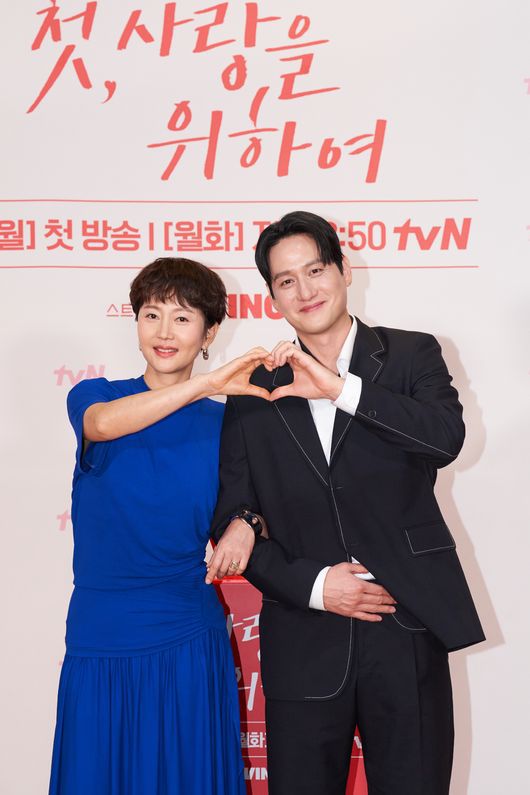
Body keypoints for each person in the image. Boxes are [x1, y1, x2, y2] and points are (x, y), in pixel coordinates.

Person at [207, 211, 485, 795]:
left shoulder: (411, 355)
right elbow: (234, 515)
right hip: (304, 635)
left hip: (405, 623)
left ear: (344, 269)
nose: (305, 291)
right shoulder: (254, 388)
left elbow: (444, 440)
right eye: (286, 281)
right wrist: (316, 586)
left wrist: (340, 389)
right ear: (272, 296)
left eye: (315, 270)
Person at [49, 257, 271, 795]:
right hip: (103, 630)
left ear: (209, 333)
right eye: (152, 315)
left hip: (186, 627)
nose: (164, 332)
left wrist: (248, 521)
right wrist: (208, 384)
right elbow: (103, 426)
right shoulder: (97, 396)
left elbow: (261, 501)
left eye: (183, 318)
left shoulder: (227, 423)